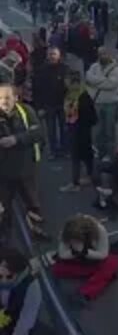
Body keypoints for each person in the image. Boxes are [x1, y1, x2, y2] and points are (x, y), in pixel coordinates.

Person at [0, 84, 44, 237]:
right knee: (5, 208)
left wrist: (16, 139)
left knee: (32, 203)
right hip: (4, 173)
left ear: (16, 98)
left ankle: (37, 230)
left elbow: (38, 132)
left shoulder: (26, 111)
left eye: (7, 98)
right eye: (0, 98)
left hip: (25, 170)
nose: (3, 102)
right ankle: (7, 237)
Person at [51, 213, 118, 302]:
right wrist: (75, 251)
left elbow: (103, 254)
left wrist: (84, 251)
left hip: (93, 256)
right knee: (57, 269)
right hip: (80, 257)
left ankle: (85, 293)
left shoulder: (100, 231)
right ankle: (100, 274)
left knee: (112, 262)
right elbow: (63, 254)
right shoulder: (68, 231)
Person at [61, 70, 97, 193]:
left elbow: (90, 116)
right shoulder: (72, 94)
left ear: (74, 83)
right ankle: (90, 176)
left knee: (76, 157)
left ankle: (75, 183)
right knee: (86, 155)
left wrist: (76, 122)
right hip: (77, 129)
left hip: (79, 130)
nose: (65, 83)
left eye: (67, 81)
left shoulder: (82, 96)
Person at [84, 45, 118, 156]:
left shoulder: (116, 68)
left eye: (105, 53)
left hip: (111, 103)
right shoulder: (94, 66)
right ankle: (99, 153)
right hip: (97, 103)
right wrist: (103, 80)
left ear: (110, 55)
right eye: (100, 54)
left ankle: (110, 155)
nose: (102, 56)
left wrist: (96, 82)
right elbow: (88, 77)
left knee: (109, 131)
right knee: (97, 131)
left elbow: (112, 84)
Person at [32, 45, 69, 159]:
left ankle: (65, 150)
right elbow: (37, 90)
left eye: (54, 54)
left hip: (64, 105)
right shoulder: (41, 70)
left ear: (59, 56)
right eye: (50, 54)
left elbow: (74, 88)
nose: (52, 56)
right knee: (51, 131)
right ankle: (53, 151)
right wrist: (39, 107)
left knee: (65, 129)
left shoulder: (66, 69)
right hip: (48, 105)